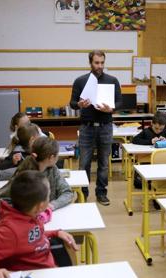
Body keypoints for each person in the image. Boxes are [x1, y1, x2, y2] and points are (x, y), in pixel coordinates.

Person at [0, 170, 78, 278]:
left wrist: (55, 233)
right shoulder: (9, 231)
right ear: (40, 206)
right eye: (49, 195)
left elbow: (29, 238)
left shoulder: (29, 215)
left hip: (47, 275)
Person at [69, 50, 122, 205]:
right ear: (90, 63)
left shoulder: (112, 80)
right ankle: (82, 194)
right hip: (87, 127)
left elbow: (120, 102)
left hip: (106, 126)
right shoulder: (80, 81)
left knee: (104, 162)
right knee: (83, 163)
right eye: (96, 63)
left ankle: (101, 193)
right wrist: (78, 104)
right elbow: (72, 103)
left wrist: (111, 109)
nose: (99, 66)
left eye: (102, 63)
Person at [0, 137, 74, 212]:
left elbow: (68, 193)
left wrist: (52, 205)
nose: (58, 157)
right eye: (57, 155)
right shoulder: (24, 173)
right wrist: (21, 212)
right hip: (26, 222)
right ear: (51, 158)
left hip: (46, 218)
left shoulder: (52, 169)